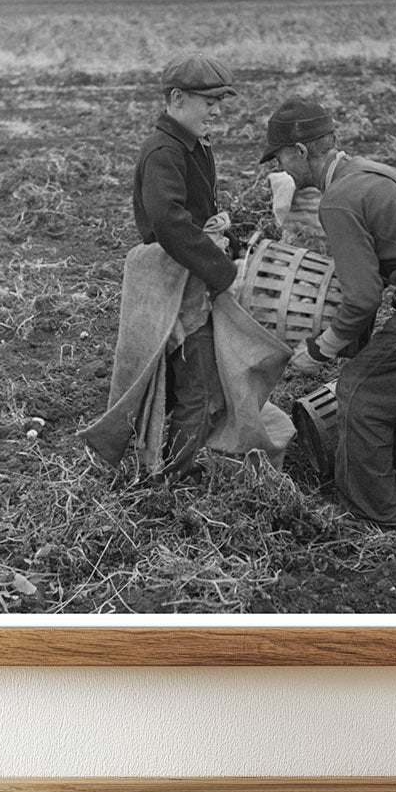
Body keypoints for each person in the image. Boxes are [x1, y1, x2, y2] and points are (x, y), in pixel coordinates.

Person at [260, 98, 396, 527]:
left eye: (280, 159)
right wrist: (357, 345)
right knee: (395, 388)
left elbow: (363, 297)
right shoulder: (372, 172)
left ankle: (372, 517)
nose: (282, 171)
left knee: (358, 395)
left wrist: (320, 349)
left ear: (301, 151)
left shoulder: (339, 200)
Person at [131, 52, 239, 481]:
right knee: (197, 387)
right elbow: (170, 224)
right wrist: (226, 273)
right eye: (208, 100)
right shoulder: (164, 152)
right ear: (177, 98)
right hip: (178, 287)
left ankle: (171, 465)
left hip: (192, 279)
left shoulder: (191, 145)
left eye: (221, 101)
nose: (217, 110)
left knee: (184, 384)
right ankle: (169, 482)